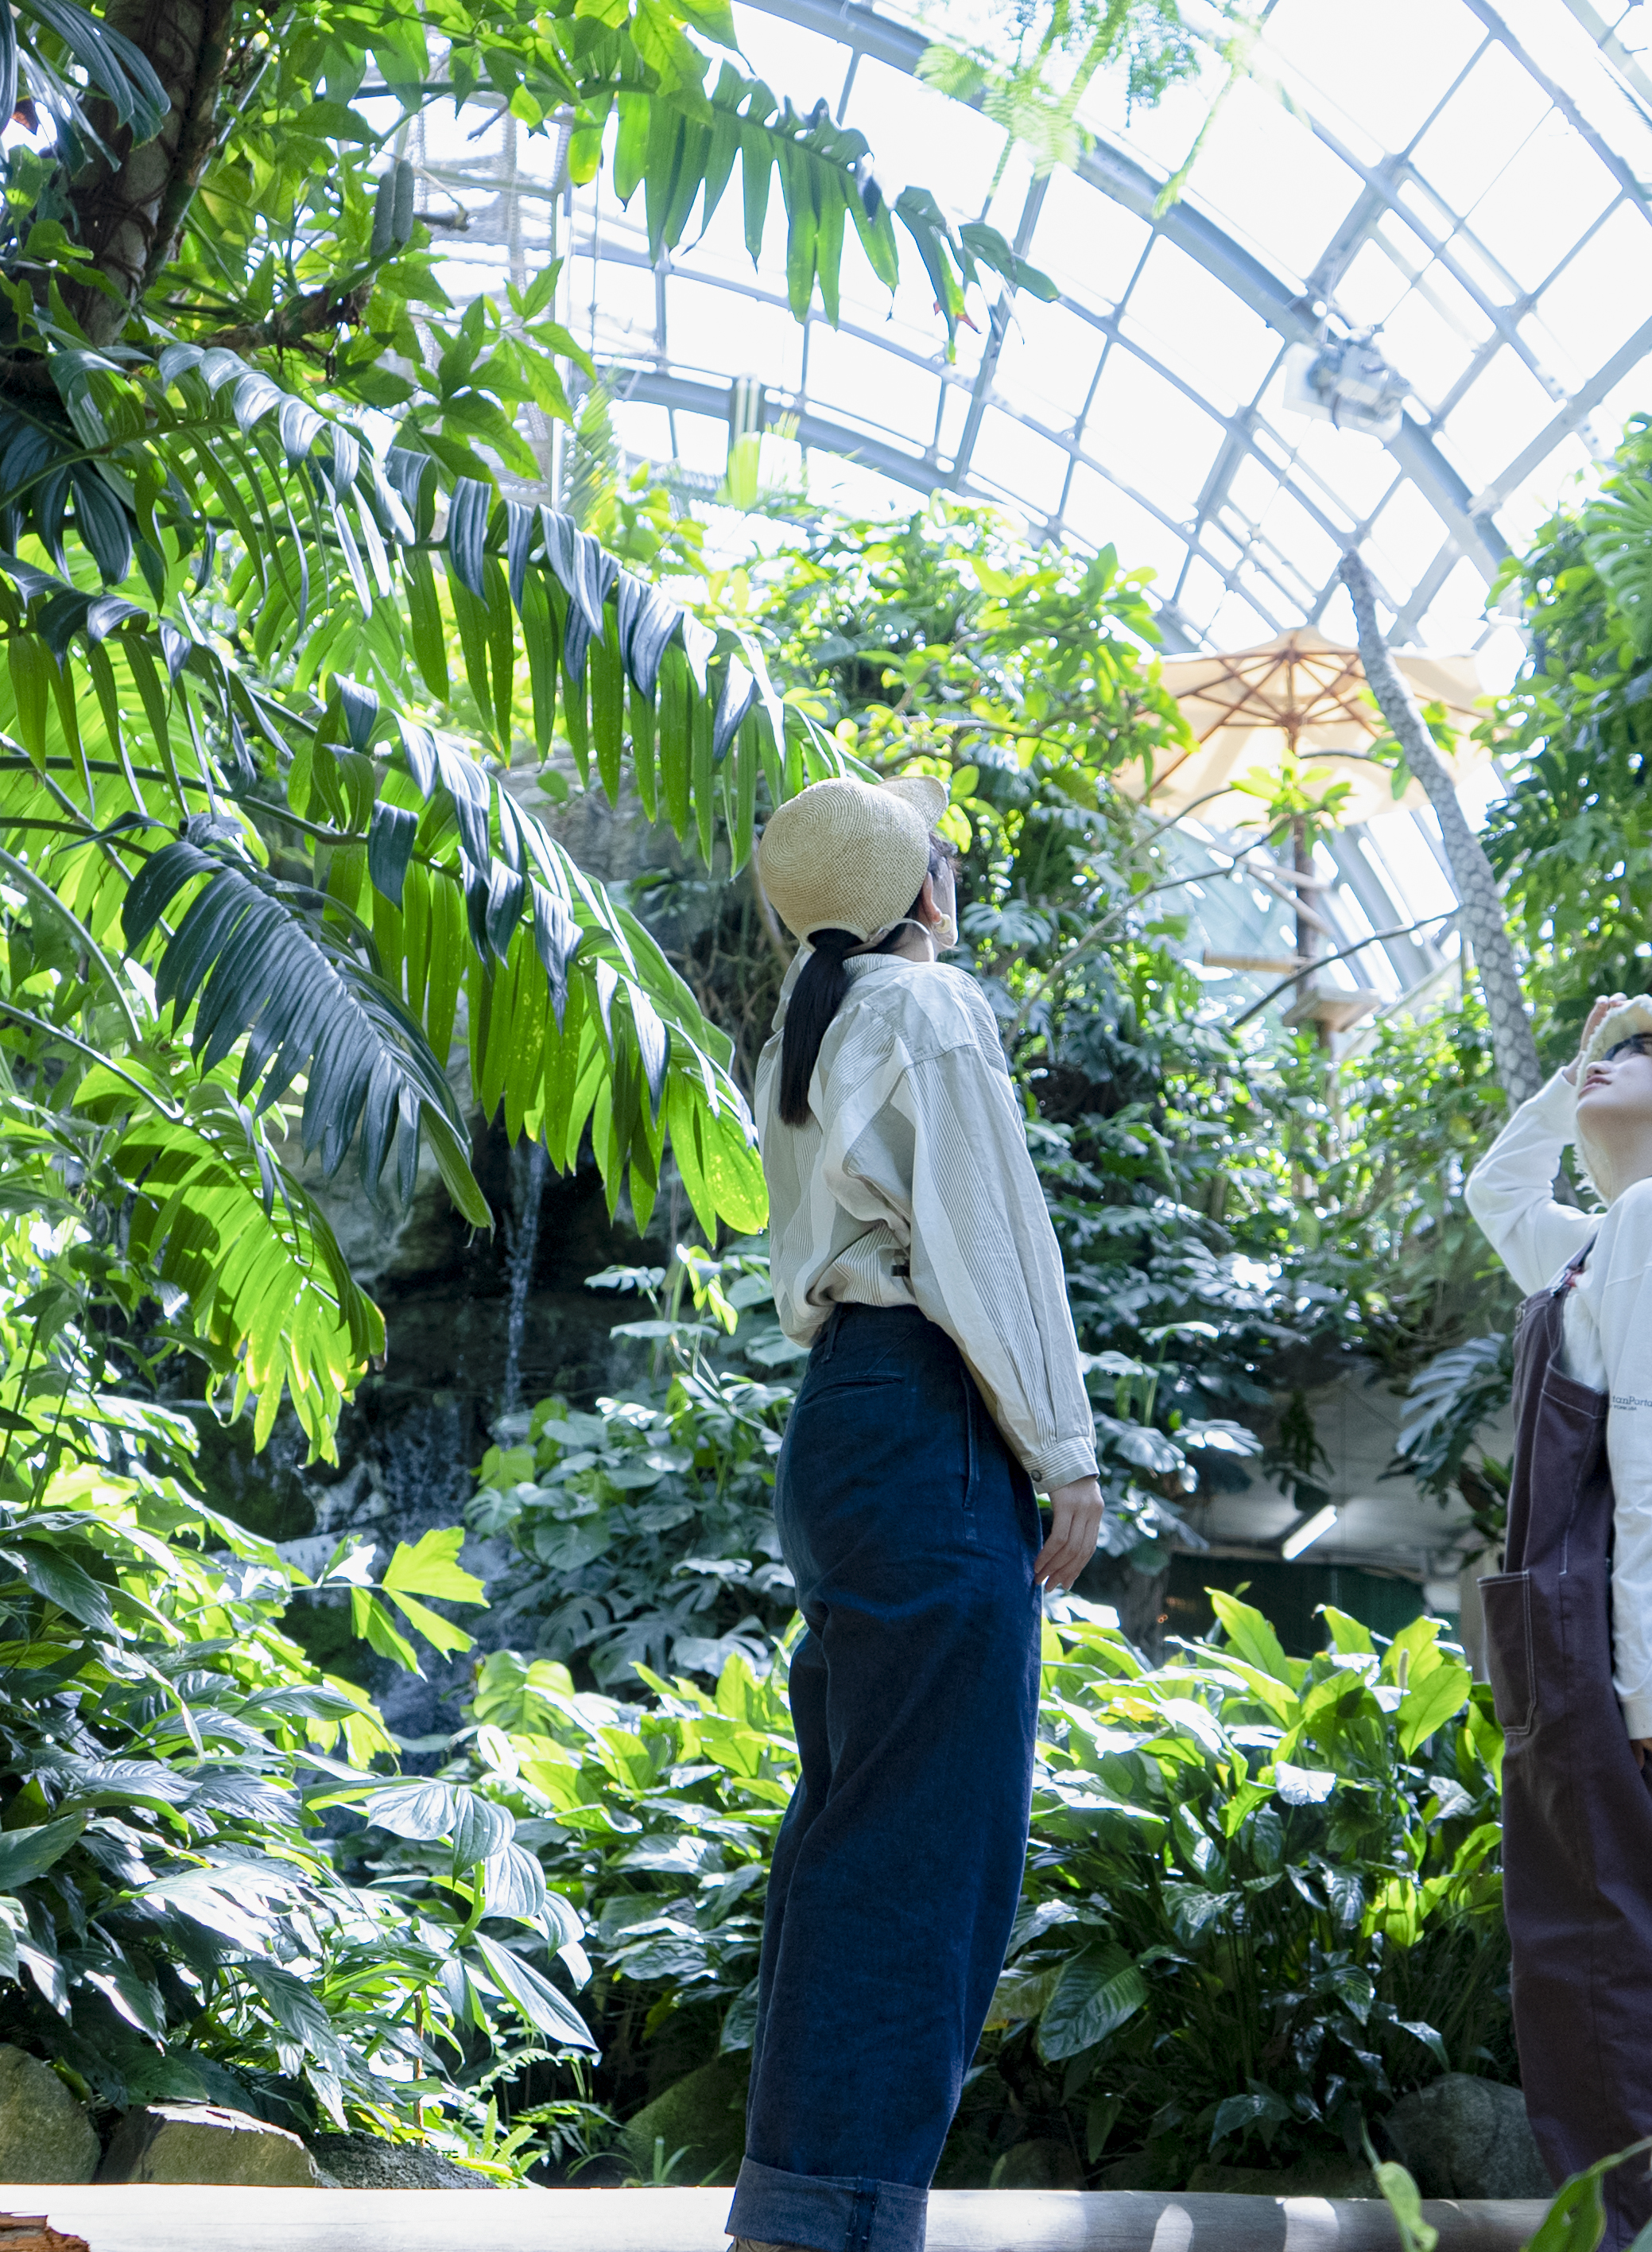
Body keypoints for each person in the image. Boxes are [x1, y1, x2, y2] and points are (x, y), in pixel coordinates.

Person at [724, 772, 1106, 2252]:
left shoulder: (803, 1035)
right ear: (928, 896)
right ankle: (844, 2223)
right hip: (932, 1413)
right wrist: (1063, 1451)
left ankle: (805, 2207)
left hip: (843, 1429)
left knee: (851, 1836)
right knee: (932, 1852)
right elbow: (988, 1239)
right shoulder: (928, 1010)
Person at [1462, 992, 1652, 2249]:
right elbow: (1496, 1192)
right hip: (1599, 1626)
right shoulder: (1605, 1238)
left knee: (1609, 1963)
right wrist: (1580, 1065)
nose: (1601, 1071)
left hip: (1610, 1628)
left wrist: (1647, 1684)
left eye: (1632, 1059)